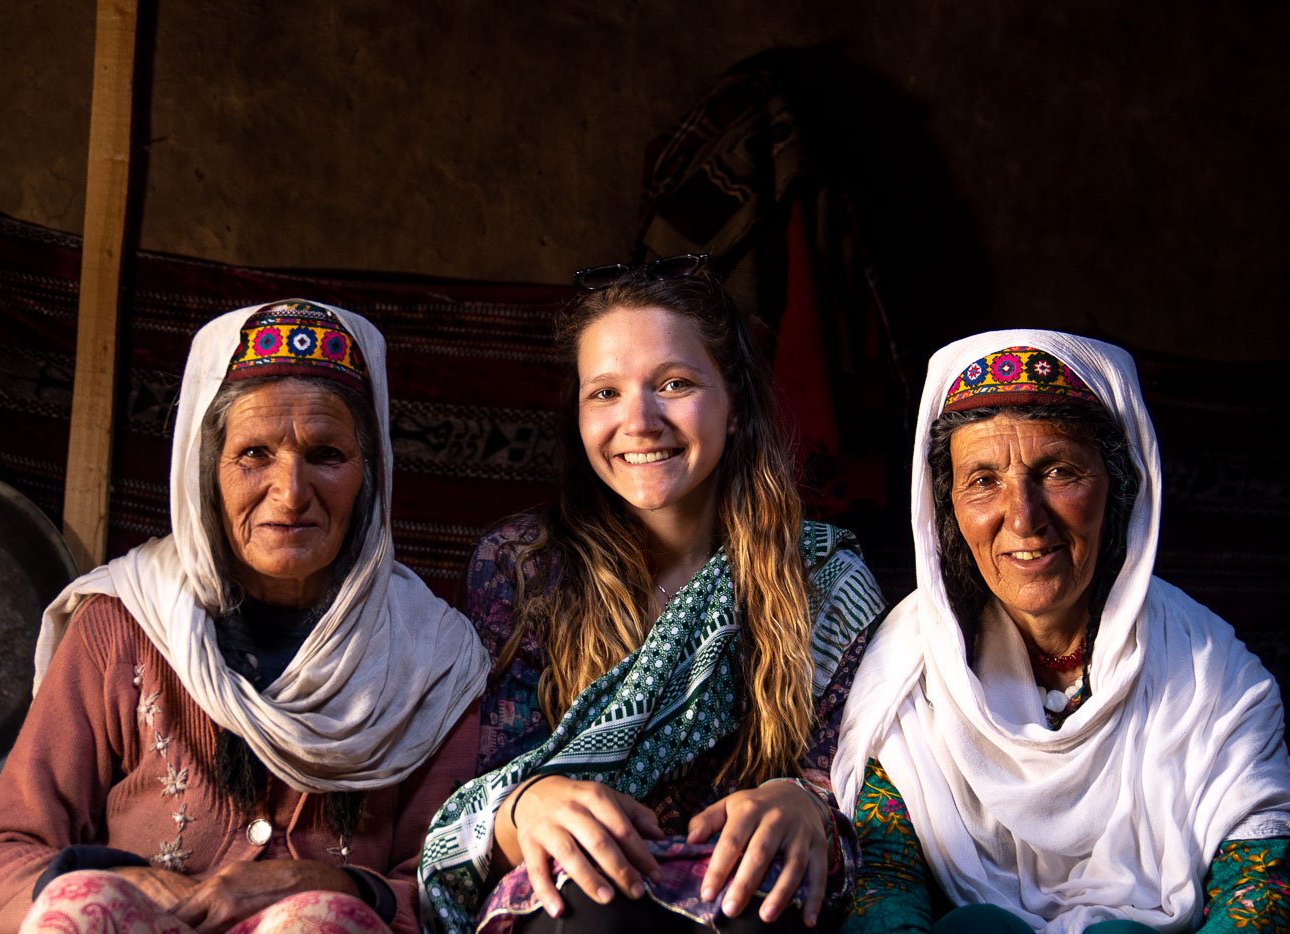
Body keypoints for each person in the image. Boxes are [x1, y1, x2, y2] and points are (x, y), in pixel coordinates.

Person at [0, 299, 490, 933]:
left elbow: (449, 889)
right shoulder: (122, 627)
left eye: (326, 455)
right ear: (204, 472)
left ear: (371, 475)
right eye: (254, 454)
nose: (290, 493)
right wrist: (110, 887)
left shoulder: (435, 659)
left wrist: (333, 889)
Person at [418, 255, 887, 933]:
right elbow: (482, 784)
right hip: (575, 903)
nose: (639, 420)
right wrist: (529, 806)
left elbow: (864, 798)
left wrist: (803, 806)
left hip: (748, 901)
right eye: (604, 393)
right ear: (576, 421)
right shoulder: (522, 566)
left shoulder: (821, 575)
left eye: (674, 383)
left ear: (736, 410)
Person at [833, 330, 1290, 933]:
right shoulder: (903, 676)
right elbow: (884, 881)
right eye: (983, 480)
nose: (1023, 517)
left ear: (1119, 486)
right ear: (947, 504)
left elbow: (1261, 882)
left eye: (1059, 471)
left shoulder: (1216, 678)